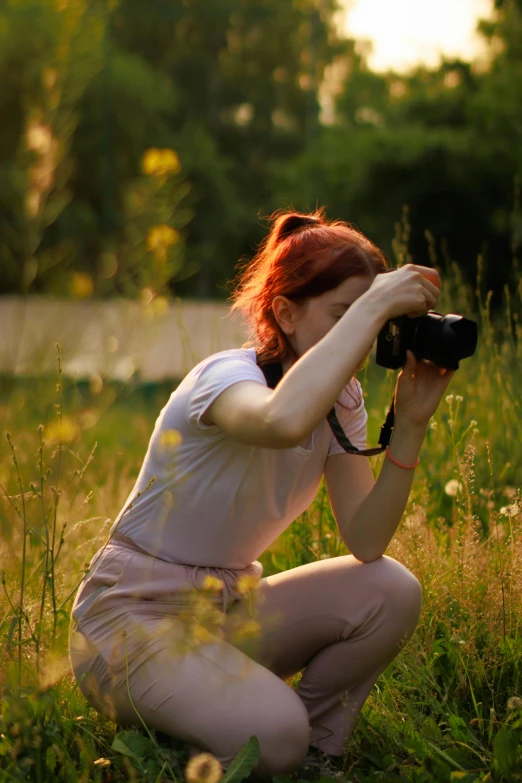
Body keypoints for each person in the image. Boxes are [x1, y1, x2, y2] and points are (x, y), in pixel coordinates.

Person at [69, 210, 453, 780]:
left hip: (223, 612)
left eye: (371, 320)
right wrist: (375, 303)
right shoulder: (227, 377)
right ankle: (252, 732)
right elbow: (281, 421)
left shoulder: (342, 401)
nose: (363, 337)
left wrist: (413, 422)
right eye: (345, 315)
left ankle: (312, 749)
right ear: (284, 312)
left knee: (390, 587)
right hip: (127, 621)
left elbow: (367, 540)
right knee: (273, 733)